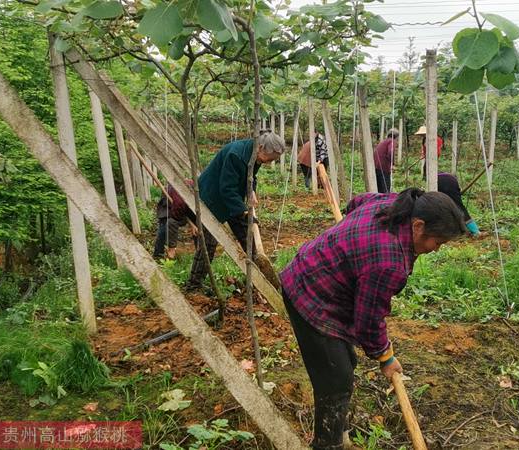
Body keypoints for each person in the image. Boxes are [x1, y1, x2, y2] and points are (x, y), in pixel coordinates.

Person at [280, 188, 467, 450]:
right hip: (311, 293)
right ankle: (328, 444)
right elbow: (368, 322)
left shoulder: (393, 203)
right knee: (336, 378)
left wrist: (349, 238)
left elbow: (358, 201)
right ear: (418, 225)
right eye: (437, 242)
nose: (436, 249)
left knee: (345, 361)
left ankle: (340, 437)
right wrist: (386, 357)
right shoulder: (388, 262)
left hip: (321, 276)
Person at [188, 130, 285, 289]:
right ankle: (193, 285)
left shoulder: (255, 155)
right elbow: (227, 188)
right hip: (211, 199)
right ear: (260, 147)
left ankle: (258, 276)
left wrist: (251, 189)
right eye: (269, 158)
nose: (268, 162)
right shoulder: (236, 155)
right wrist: (243, 210)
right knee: (209, 243)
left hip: (231, 198)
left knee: (246, 232)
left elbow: (250, 176)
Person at [374, 128, 398, 193]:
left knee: (379, 189)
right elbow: (391, 152)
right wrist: (392, 164)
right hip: (384, 168)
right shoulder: (392, 141)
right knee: (386, 189)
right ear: (396, 137)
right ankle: (386, 202)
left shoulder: (383, 142)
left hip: (376, 167)